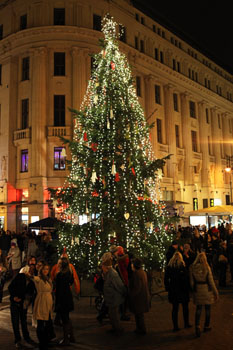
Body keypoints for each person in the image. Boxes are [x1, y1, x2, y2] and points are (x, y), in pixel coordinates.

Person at [189, 252, 219, 337]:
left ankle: (197, 326)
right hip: (206, 289)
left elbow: (191, 282)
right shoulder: (206, 267)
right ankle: (206, 326)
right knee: (207, 309)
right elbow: (211, 281)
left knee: (198, 309)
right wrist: (215, 292)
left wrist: (193, 289)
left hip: (198, 289)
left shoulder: (192, 268)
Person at [8, 265, 37, 349]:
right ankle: (17, 340)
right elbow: (11, 287)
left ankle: (27, 338)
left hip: (23, 304)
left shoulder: (32, 282)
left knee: (23, 322)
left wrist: (27, 300)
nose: (30, 272)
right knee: (15, 322)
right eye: (29, 270)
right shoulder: (20, 276)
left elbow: (31, 293)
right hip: (15, 303)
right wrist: (14, 297)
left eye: (32, 271)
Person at [164, 251, 191, 332]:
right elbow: (186, 279)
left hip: (174, 290)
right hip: (182, 290)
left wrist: (168, 288)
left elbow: (166, 279)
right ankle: (186, 323)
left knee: (175, 308)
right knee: (185, 308)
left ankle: (175, 326)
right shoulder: (182, 266)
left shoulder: (169, 267)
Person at [101, 252, 126, 335]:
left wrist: (123, 293)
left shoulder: (113, 274)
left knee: (114, 315)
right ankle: (115, 327)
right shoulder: (108, 274)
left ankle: (118, 329)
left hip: (114, 298)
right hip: (111, 298)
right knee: (111, 315)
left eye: (103, 267)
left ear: (106, 267)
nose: (102, 268)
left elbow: (119, 285)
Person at [32, 262, 55, 350]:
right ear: (41, 270)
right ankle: (42, 343)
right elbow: (31, 277)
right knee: (41, 322)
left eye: (47, 269)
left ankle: (45, 340)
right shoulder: (38, 278)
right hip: (41, 301)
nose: (46, 271)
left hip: (48, 302)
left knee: (47, 322)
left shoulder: (48, 279)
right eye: (44, 269)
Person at [54, 257, 75, 345]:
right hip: (67, 298)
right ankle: (72, 336)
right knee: (67, 317)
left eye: (59, 263)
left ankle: (66, 339)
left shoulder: (60, 275)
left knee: (65, 319)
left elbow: (58, 289)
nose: (57, 265)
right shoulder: (69, 273)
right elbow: (71, 282)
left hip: (62, 299)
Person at [128, 257, 150, 335]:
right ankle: (139, 328)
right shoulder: (142, 272)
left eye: (132, 264)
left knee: (139, 314)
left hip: (139, 298)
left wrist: (131, 295)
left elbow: (137, 287)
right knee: (138, 314)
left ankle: (142, 329)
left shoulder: (136, 274)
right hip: (142, 296)